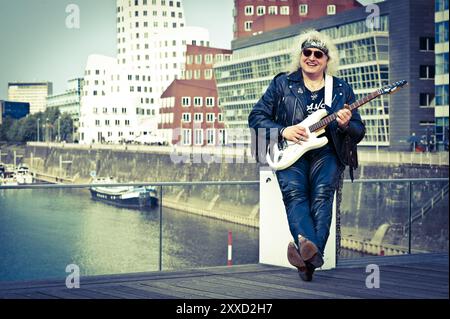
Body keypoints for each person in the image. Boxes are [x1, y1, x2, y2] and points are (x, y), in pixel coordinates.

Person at [248, 30, 365, 281]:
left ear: (327, 59)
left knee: (322, 197)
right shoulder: (282, 84)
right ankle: (311, 260)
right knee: (294, 196)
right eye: (307, 52)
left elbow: (358, 130)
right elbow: (256, 118)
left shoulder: (341, 89)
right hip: (292, 151)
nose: (312, 57)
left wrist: (345, 124)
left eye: (318, 54)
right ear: (300, 55)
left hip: (327, 151)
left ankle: (306, 262)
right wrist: (283, 130)